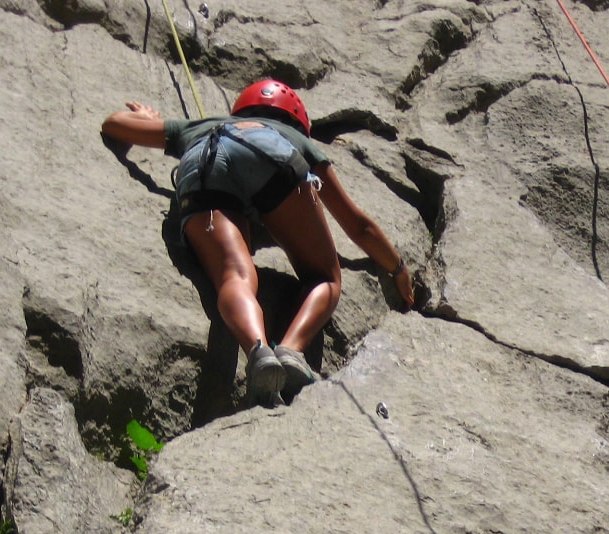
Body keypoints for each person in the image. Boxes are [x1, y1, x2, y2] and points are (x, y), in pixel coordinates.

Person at [102, 79, 414, 406]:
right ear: (297, 121)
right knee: (324, 278)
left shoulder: (203, 125)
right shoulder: (296, 137)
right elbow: (357, 225)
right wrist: (398, 267)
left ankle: (258, 351)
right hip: (272, 157)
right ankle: (291, 351)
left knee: (234, 276)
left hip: (203, 159)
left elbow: (113, 125)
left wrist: (149, 120)